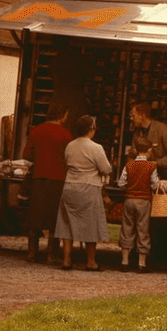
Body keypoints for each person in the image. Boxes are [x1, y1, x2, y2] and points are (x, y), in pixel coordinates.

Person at [53, 115, 112, 271]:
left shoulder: (70, 146)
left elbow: (66, 163)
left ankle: (66, 260)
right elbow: (106, 168)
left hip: (70, 186)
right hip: (89, 187)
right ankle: (91, 261)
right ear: (91, 129)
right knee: (90, 224)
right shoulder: (96, 148)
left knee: (66, 223)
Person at [130, 101, 167, 267]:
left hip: (163, 182)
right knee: (142, 220)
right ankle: (141, 255)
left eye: (133, 115)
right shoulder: (137, 132)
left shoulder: (164, 131)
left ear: (142, 115)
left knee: (161, 219)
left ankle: (160, 256)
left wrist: (155, 164)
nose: (131, 118)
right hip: (144, 181)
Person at [21, 104, 73, 263]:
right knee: (54, 218)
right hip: (58, 179)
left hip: (38, 176)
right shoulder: (65, 134)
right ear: (62, 115)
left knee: (35, 216)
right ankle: (51, 254)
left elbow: (27, 155)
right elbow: (70, 158)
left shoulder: (36, 131)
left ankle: (32, 253)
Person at [115, 134, 160, 272]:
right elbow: (155, 185)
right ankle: (141, 263)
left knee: (127, 228)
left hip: (129, 199)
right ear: (148, 150)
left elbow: (121, 183)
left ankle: (124, 261)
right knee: (143, 229)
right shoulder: (151, 166)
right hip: (144, 200)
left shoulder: (129, 165)